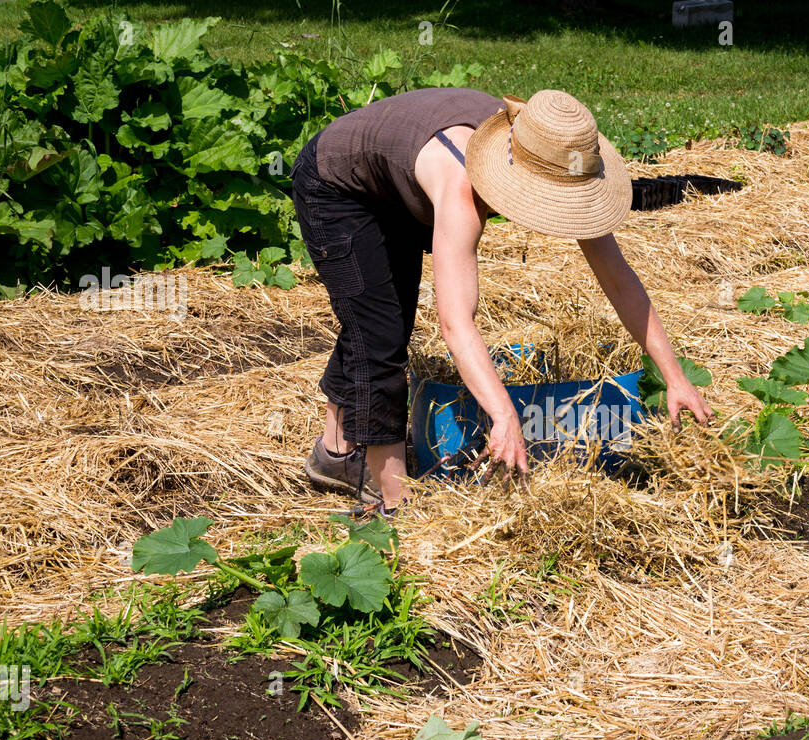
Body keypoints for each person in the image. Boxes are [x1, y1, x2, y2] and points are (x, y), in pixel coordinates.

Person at [290, 87, 713, 514]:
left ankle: (335, 453)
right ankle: (391, 501)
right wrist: (504, 414)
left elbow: (619, 281)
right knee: (379, 333)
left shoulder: (562, 158)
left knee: (380, 316)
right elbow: (456, 324)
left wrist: (674, 376)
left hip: (395, 182)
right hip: (338, 187)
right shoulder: (461, 185)